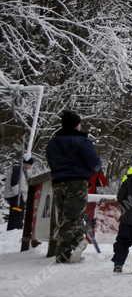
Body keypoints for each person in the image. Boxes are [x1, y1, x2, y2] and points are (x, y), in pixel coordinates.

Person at [45, 110, 102, 263]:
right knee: (73, 217)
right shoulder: (82, 142)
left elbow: (50, 160)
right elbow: (95, 163)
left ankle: (74, 244)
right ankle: (66, 252)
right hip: (77, 182)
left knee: (64, 215)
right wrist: (91, 171)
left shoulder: (53, 142)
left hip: (58, 182)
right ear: (76, 125)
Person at [3, 154, 32, 231]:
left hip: (16, 195)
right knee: (17, 213)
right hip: (15, 196)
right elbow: (14, 182)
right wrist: (18, 195)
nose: (30, 167)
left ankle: (14, 229)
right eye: (30, 165)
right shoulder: (17, 168)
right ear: (26, 163)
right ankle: (15, 228)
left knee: (16, 213)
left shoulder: (21, 169)